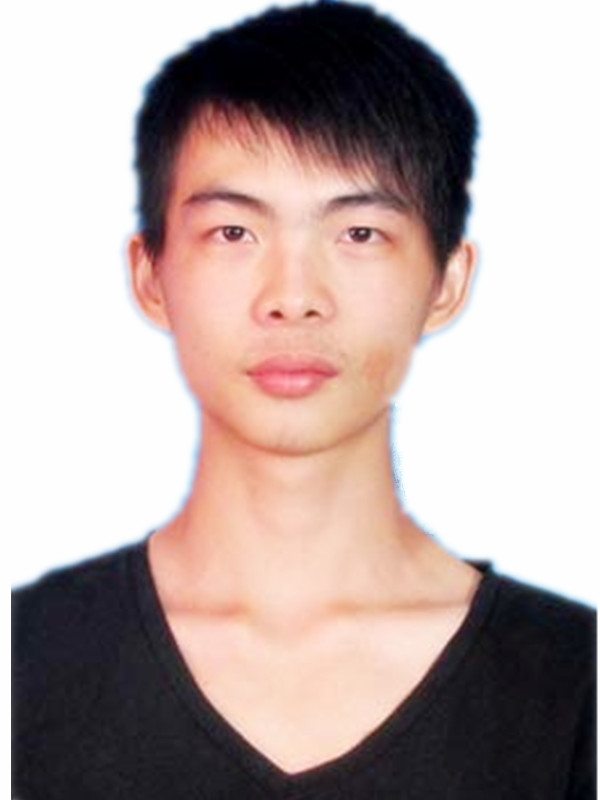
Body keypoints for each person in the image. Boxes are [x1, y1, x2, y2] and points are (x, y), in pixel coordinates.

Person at [12, 2, 595, 798]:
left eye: (359, 233)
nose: (292, 298)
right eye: (233, 233)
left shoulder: (575, 684)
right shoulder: (24, 661)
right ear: (149, 275)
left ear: (447, 281)